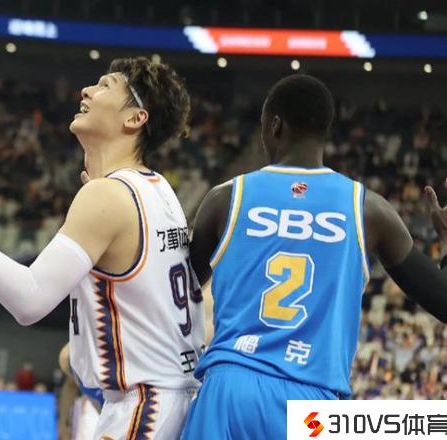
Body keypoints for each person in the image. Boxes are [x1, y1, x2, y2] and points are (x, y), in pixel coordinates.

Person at [0, 57, 205, 439]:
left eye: (106, 86)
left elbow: (30, 301)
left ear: (135, 118)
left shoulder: (109, 194)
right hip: (170, 402)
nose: (87, 91)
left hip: (145, 409)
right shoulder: (157, 189)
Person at [182, 74, 447, 438]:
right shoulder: (369, 210)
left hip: (229, 388)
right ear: (325, 132)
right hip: (311, 408)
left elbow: (179, 294)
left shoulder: (225, 198)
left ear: (274, 126)